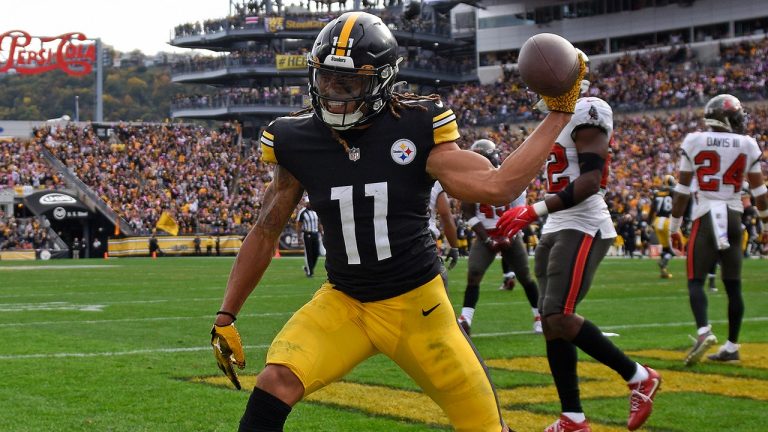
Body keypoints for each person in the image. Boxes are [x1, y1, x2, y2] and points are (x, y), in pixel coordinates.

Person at [210, 11, 585, 432]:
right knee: (275, 381)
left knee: (484, 426)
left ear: (382, 79)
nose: (334, 93)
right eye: (327, 79)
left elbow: (497, 186)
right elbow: (265, 230)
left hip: (418, 307)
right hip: (345, 301)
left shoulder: (417, 125)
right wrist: (226, 315)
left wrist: (558, 113)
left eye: (349, 82)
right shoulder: (296, 138)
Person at [497, 96, 660, 432]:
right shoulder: (556, 120)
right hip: (557, 224)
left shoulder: (588, 110)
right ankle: (572, 417)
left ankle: (639, 377)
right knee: (551, 322)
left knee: (558, 315)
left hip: (584, 222)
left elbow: (590, 182)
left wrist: (532, 210)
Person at [669, 94, 768, 365]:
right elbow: (761, 194)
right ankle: (732, 346)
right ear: (727, 118)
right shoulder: (747, 144)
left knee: (695, 281)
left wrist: (675, 227)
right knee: (734, 287)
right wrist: (765, 224)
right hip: (735, 218)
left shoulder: (695, 140)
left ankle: (704, 332)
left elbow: (681, 192)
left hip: (706, 216)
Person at [457, 139, 541, 336]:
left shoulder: (510, 177)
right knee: (474, 273)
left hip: (509, 231)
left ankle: (539, 316)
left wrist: (508, 236)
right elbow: (468, 212)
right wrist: (487, 239)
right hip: (485, 234)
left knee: (524, 276)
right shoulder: (471, 180)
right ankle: (466, 318)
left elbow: (520, 211)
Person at [428, 180, 460, 273]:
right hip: (424, 237)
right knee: (435, 281)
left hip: (393, 236)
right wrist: (454, 247)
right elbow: (446, 216)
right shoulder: (435, 183)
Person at [648, 175, 676, 278]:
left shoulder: (657, 193)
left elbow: (652, 210)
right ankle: (663, 262)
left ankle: (663, 271)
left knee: (665, 248)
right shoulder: (673, 192)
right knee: (674, 249)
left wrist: (648, 223)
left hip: (657, 221)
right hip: (668, 221)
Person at [296, 199, 322, 277]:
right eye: (309, 203)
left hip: (315, 233)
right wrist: (299, 237)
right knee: (308, 254)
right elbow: (299, 225)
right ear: (306, 203)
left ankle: (308, 268)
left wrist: (322, 232)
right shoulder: (302, 212)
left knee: (316, 253)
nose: (310, 204)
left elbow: (318, 223)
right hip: (307, 234)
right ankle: (310, 272)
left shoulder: (315, 211)